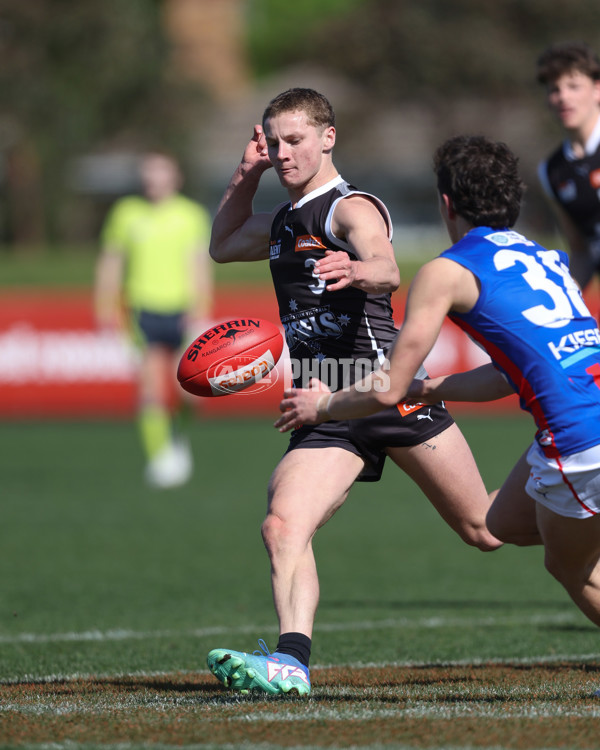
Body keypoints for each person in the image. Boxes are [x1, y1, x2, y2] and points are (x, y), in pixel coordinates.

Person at [206, 89, 502, 698]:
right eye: (274, 141)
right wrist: (245, 173)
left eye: (295, 140)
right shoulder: (285, 222)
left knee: (485, 528)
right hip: (324, 401)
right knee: (283, 524)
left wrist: (357, 270)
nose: (284, 152)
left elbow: (388, 267)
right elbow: (222, 242)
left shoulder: (350, 207)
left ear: (327, 138)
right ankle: (291, 662)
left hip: (385, 389)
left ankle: (581, 523)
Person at [276, 134, 600, 632]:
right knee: (497, 524)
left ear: (446, 204)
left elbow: (385, 389)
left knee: (568, 565)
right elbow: (506, 376)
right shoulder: (548, 259)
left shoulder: (446, 271)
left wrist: (322, 406)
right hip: (577, 429)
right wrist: (428, 390)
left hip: (579, 443)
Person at [94, 151, 213, 488]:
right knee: (149, 386)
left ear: (175, 177)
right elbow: (111, 261)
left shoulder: (190, 215)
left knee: (190, 388)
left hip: (182, 310)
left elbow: (198, 263)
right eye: (148, 173)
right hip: (141, 309)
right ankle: (160, 458)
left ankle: (179, 436)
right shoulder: (126, 213)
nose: (154, 180)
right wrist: (105, 305)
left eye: (161, 173)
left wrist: (201, 305)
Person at [536, 41, 600, 291]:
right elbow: (581, 251)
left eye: (573, 86)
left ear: (597, 90)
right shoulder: (552, 171)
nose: (563, 97)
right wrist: (567, 299)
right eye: (555, 89)